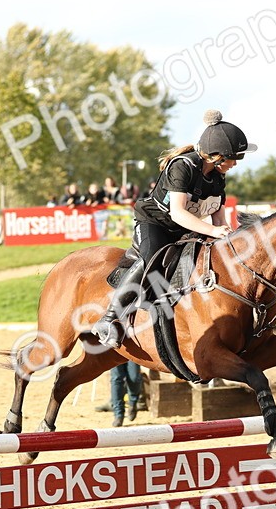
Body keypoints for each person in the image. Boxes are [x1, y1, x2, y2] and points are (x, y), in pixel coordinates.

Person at [92, 109, 254, 348]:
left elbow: (219, 220)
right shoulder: (183, 166)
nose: (236, 163)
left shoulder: (218, 178)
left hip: (186, 230)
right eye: (233, 158)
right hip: (155, 224)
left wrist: (226, 237)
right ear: (216, 156)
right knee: (150, 258)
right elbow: (178, 213)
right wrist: (212, 231)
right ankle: (108, 319)